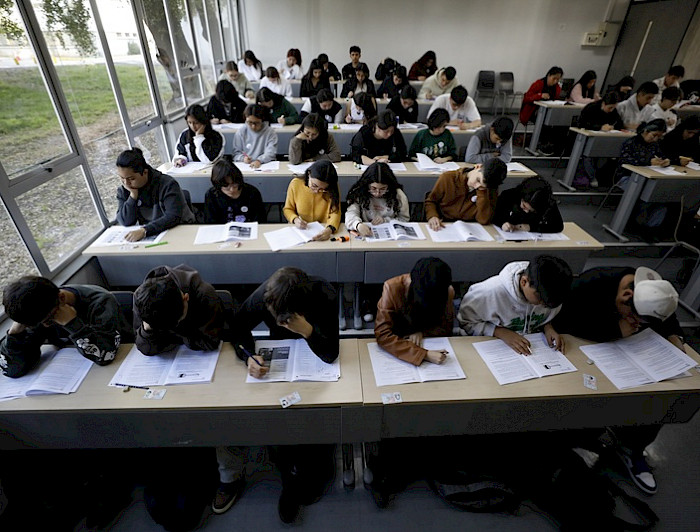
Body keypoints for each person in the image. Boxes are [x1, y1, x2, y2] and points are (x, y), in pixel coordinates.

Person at [553, 265, 684, 494]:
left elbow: (668, 320)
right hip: (587, 349)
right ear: (625, 296)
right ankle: (573, 435)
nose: (637, 324)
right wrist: (614, 329)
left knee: (663, 390)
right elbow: (564, 322)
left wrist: (675, 338)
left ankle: (633, 448)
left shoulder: (655, 290)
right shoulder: (591, 283)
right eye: (633, 317)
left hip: (632, 353)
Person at [227, 266, 338, 522]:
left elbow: (331, 353)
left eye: (284, 320)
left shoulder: (325, 295)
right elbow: (237, 327)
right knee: (280, 417)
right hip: (281, 364)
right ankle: (289, 476)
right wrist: (248, 357)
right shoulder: (268, 294)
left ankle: (317, 465)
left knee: (318, 411)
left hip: (316, 360)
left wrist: (306, 330)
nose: (279, 324)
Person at [0, 276, 125, 378]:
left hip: (115, 367)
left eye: (49, 320)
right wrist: (14, 334)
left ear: (62, 298)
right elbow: (12, 370)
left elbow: (105, 356)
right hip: (74, 373)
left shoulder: (100, 303)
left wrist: (73, 324)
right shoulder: (38, 313)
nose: (45, 325)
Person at [458, 255, 573, 355]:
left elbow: (547, 314)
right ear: (524, 282)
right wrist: (499, 332)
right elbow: (466, 323)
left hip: (534, 347)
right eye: (539, 299)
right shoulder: (487, 293)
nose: (542, 306)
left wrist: (548, 327)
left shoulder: (552, 294)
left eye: (547, 305)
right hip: (492, 347)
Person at [374, 257, 454, 365]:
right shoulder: (392, 288)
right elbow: (383, 334)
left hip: (426, 341)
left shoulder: (446, 291)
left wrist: (421, 332)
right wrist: (423, 354)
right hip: (399, 340)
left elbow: (446, 328)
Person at [133, 264, 224, 356]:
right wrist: (147, 328)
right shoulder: (142, 300)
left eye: (179, 321)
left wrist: (173, 333)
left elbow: (210, 342)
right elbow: (144, 347)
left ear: (186, 298)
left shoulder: (204, 294)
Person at [116, 147, 195, 242]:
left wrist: (145, 230)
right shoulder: (125, 190)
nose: (126, 183)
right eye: (122, 178)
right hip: (154, 234)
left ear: (145, 172)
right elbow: (125, 221)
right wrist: (133, 196)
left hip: (178, 231)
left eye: (131, 179)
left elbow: (173, 216)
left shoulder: (167, 184)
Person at [617, 120, 670, 236]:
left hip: (649, 179)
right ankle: (636, 224)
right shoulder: (630, 143)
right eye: (654, 135)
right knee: (644, 195)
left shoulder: (654, 145)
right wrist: (648, 162)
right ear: (646, 131)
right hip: (628, 177)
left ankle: (652, 228)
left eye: (659, 137)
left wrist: (665, 161)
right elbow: (625, 161)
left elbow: (661, 156)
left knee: (661, 197)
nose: (656, 139)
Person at [425, 158, 507, 229]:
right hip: (445, 223)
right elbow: (431, 201)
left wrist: (482, 192)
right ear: (478, 167)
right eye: (478, 180)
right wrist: (432, 216)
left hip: (472, 227)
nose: (476, 186)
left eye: (482, 187)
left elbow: (483, 220)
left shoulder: (490, 189)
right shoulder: (448, 177)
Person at [345, 162, 410, 237]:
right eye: (373, 188)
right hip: (365, 232)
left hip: (390, 233)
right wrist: (357, 225)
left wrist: (386, 220)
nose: (377, 193)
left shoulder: (398, 195)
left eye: (383, 189)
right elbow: (351, 213)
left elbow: (404, 219)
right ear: (367, 185)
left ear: (389, 186)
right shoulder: (359, 192)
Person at [574, 92, 624, 187]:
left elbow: (619, 123)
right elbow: (581, 123)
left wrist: (613, 127)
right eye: (610, 108)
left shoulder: (613, 111)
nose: (611, 110)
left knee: (610, 153)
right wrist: (599, 127)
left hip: (603, 140)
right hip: (587, 139)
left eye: (613, 108)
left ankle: (601, 176)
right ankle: (591, 176)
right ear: (604, 103)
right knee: (589, 153)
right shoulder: (591, 108)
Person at [283, 159, 341, 241]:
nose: (317, 191)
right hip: (300, 230)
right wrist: (295, 219)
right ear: (309, 174)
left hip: (323, 228)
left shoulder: (331, 189)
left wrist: (329, 229)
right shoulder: (296, 184)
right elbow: (288, 209)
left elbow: (335, 213)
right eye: (314, 185)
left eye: (322, 189)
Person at [203, 155, 266, 224]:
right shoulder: (211, 195)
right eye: (226, 186)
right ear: (218, 185)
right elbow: (210, 223)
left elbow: (260, 221)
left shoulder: (252, 192)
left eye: (235, 184)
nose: (232, 190)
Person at [492, 177, 564, 233]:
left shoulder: (546, 202)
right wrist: (502, 223)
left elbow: (557, 226)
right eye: (524, 206)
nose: (526, 211)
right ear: (521, 197)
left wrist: (531, 227)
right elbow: (494, 215)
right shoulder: (509, 195)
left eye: (531, 210)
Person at [519, 66, 563, 154]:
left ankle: (551, 146)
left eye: (557, 80)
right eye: (554, 79)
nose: (555, 82)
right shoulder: (538, 83)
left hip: (547, 112)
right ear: (549, 75)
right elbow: (527, 98)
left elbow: (556, 99)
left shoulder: (557, 87)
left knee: (557, 123)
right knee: (545, 123)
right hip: (531, 112)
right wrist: (540, 95)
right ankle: (540, 145)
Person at [231, 104, 278, 168]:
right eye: (250, 122)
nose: (253, 126)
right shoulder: (241, 131)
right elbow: (236, 153)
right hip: (245, 165)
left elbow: (271, 153)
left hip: (265, 165)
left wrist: (259, 160)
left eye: (257, 123)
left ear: (262, 120)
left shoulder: (270, 132)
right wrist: (243, 158)